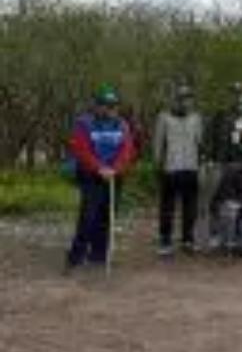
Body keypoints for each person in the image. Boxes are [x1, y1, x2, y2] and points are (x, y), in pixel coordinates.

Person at [64, 85, 137, 273]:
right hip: (91, 175)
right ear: (97, 106)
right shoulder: (84, 123)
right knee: (88, 216)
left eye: (113, 106)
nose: (110, 109)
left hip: (114, 174)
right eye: (105, 105)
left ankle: (99, 253)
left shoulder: (122, 125)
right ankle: (76, 256)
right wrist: (99, 168)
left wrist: (116, 168)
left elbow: (127, 150)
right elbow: (81, 150)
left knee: (107, 215)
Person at [153, 83, 204, 256]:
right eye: (181, 98)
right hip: (170, 168)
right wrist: (158, 164)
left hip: (191, 167)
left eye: (188, 99)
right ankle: (165, 239)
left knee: (190, 207)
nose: (185, 102)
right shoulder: (164, 117)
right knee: (167, 207)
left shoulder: (196, 118)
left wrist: (201, 164)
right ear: (175, 100)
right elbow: (158, 144)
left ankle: (188, 239)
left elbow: (200, 143)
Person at [203, 81, 242, 248]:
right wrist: (209, 158)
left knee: (239, 199)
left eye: (239, 94)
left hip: (241, 163)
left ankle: (237, 234)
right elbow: (209, 136)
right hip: (220, 162)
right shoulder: (221, 114)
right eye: (233, 93)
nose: (236, 97)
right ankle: (215, 233)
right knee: (216, 199)